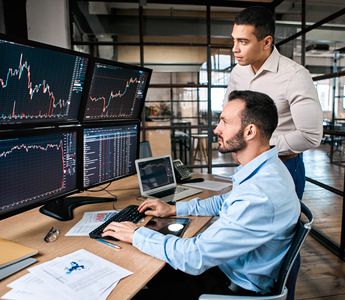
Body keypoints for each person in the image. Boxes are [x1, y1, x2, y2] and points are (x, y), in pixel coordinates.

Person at [102, 90, 300, 299]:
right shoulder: (268, 168)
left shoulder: (260, 195)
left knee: (133, 285)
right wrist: (174, 209)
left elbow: (194, 257)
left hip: (229, 287)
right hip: (225, 268)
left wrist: (136, 234)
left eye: (224, 122)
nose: (216, 129)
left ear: (250, 131)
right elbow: (226, 201)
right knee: (146, 267)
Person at [225, 6, 323, 200]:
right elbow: (230, 113)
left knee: (279, 229)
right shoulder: (238, 71)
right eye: (234, 40)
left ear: (266, 42)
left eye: (243, 41)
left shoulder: (295, 76)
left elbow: (311, 136)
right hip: (244, 166)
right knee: (247, 226)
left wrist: (259, 148)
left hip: (283, 166)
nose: (235, 48)